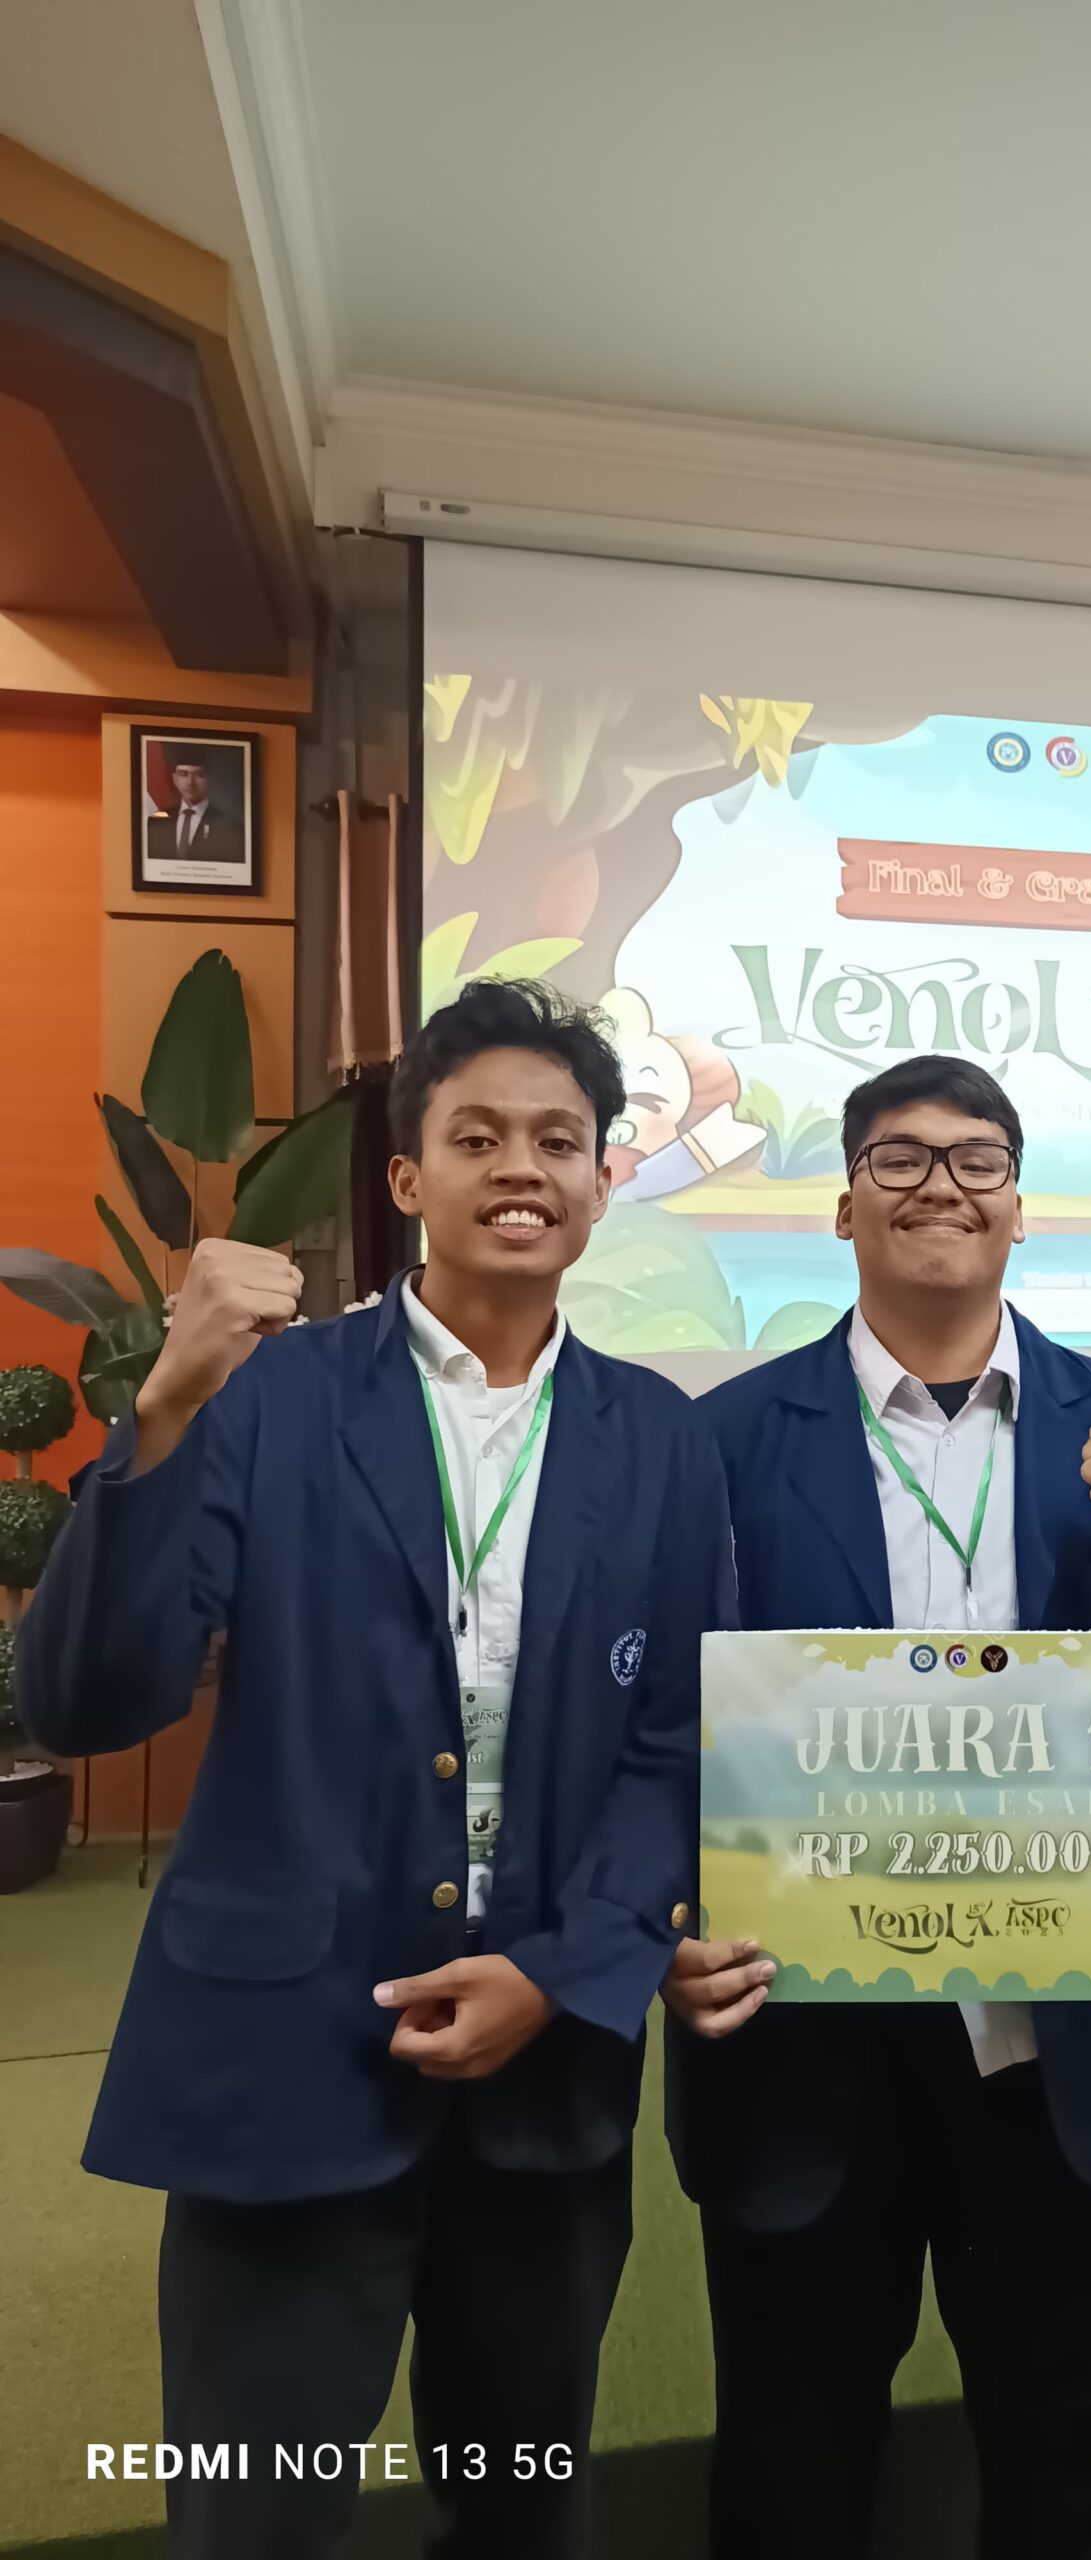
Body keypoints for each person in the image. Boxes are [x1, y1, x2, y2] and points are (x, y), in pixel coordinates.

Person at [20, 979, 737, 2560]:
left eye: (558, 1139)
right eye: (476, 1136)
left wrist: (563, 1972)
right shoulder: (268, 1397)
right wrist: (167, 1402)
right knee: (256, 2523)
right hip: (290, 2050)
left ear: (602, 1182)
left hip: (547, 2086)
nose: (521, 1166)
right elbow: (87, 1698)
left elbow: (676, 1743)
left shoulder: (661, 1441)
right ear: (409, 1177)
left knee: (521, 2514)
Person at [664, 1054, 1091, 2560]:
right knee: (791, 2454)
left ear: (1019, 1206)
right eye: (901, 1158)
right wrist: (668, 1923)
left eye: (978, 1160)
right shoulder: (724, 1441)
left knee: (1062, 2447)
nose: (941, 1186)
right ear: (843, 1205)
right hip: (806, 2034)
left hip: (1050, 2039)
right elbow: (660, 1724)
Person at [145, 749, 244, 865]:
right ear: (175, 779)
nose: (190, 782)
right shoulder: (156, 823)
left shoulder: (229, 827)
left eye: (199, 775)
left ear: (209, 779)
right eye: (183, 774)